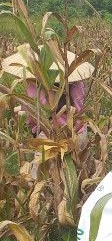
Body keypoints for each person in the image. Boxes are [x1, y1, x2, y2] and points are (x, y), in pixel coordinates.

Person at [2, 44, 94, 180]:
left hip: (50, 138)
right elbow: (80, 105)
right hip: (79, 133)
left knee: (42, 180)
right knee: (76, 175)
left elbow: (32, 117)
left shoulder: (35, 86)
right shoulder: (78, 82)